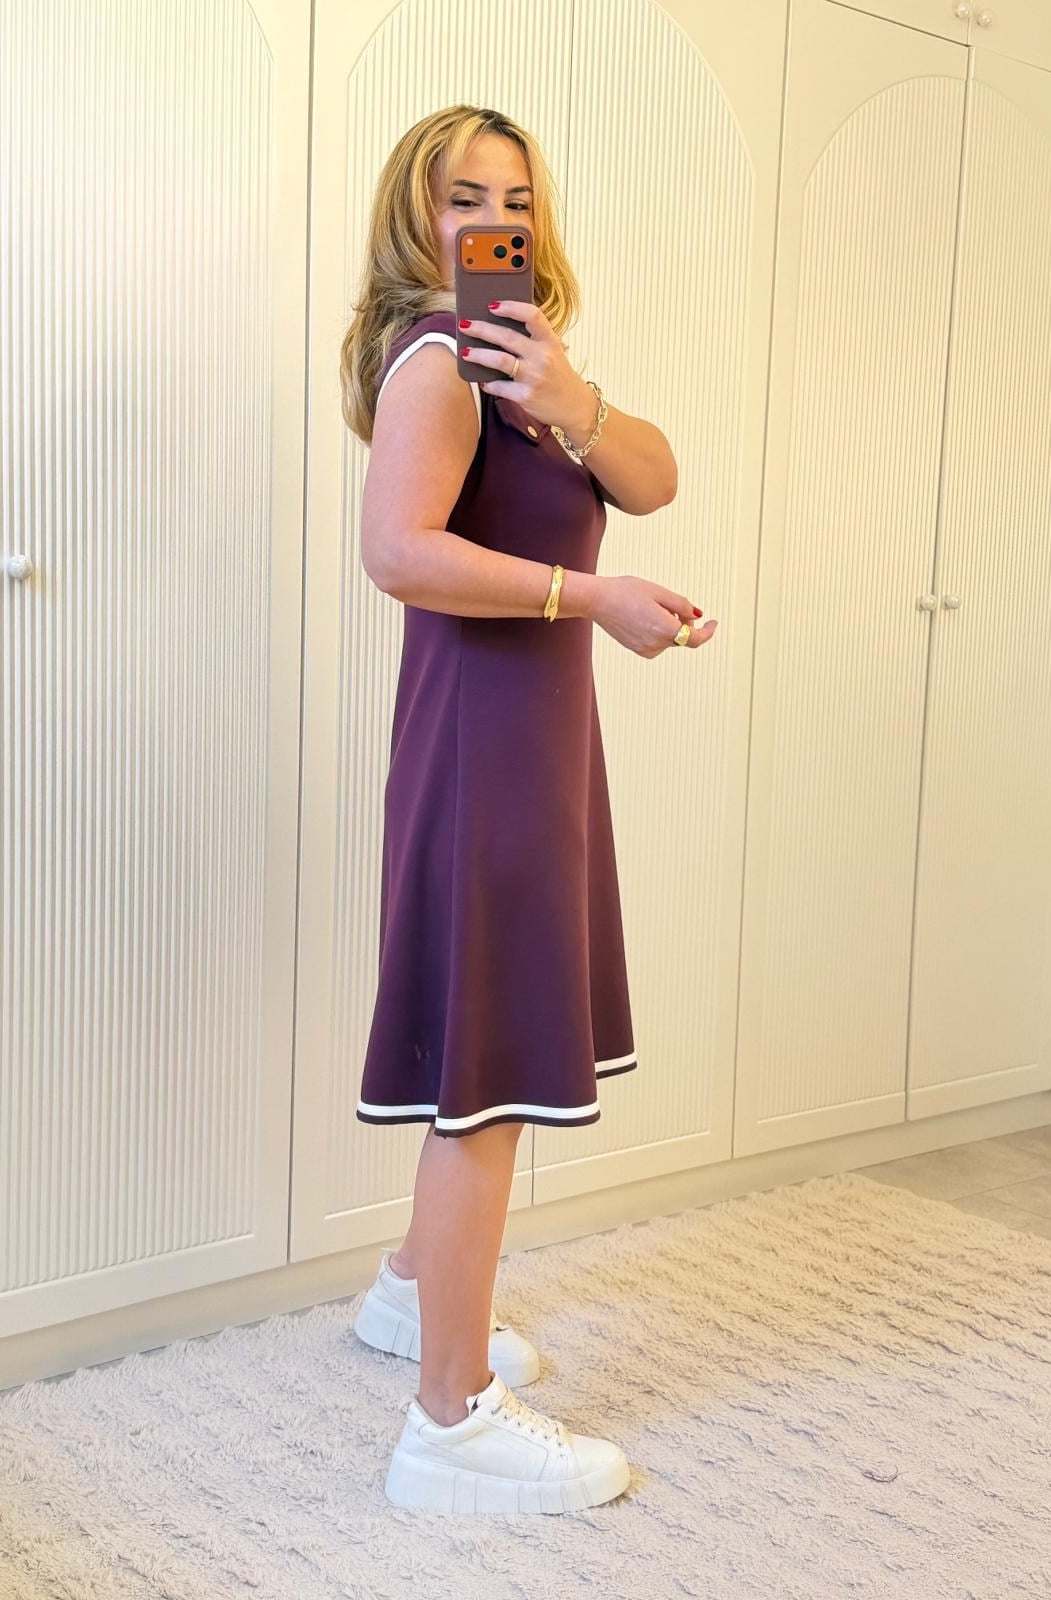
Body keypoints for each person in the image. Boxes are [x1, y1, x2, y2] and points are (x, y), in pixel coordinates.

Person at [339, 105, 717, 1514]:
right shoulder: (440, 362)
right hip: (485, 746)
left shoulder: (522, 369)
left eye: (514, 198)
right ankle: (449, 1424)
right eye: (462, 198)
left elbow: (654, 479)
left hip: (534, 745)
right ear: (416, 217)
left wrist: (575, 401)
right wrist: (591, 595)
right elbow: (399, 552)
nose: (493, 221)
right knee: (487, 1070)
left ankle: (408, 1292)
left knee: (482, 1041)